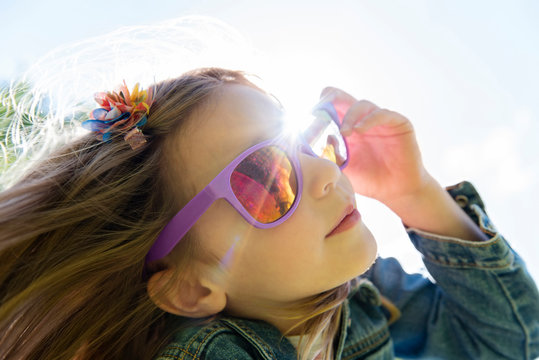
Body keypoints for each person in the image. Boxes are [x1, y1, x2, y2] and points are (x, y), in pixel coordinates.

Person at [0, 68, 537, 360]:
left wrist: (415, 193)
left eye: (309, 142)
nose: (327, 175)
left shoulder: (366, 297)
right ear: (191, 287)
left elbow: (512, 343)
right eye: (265, 178)